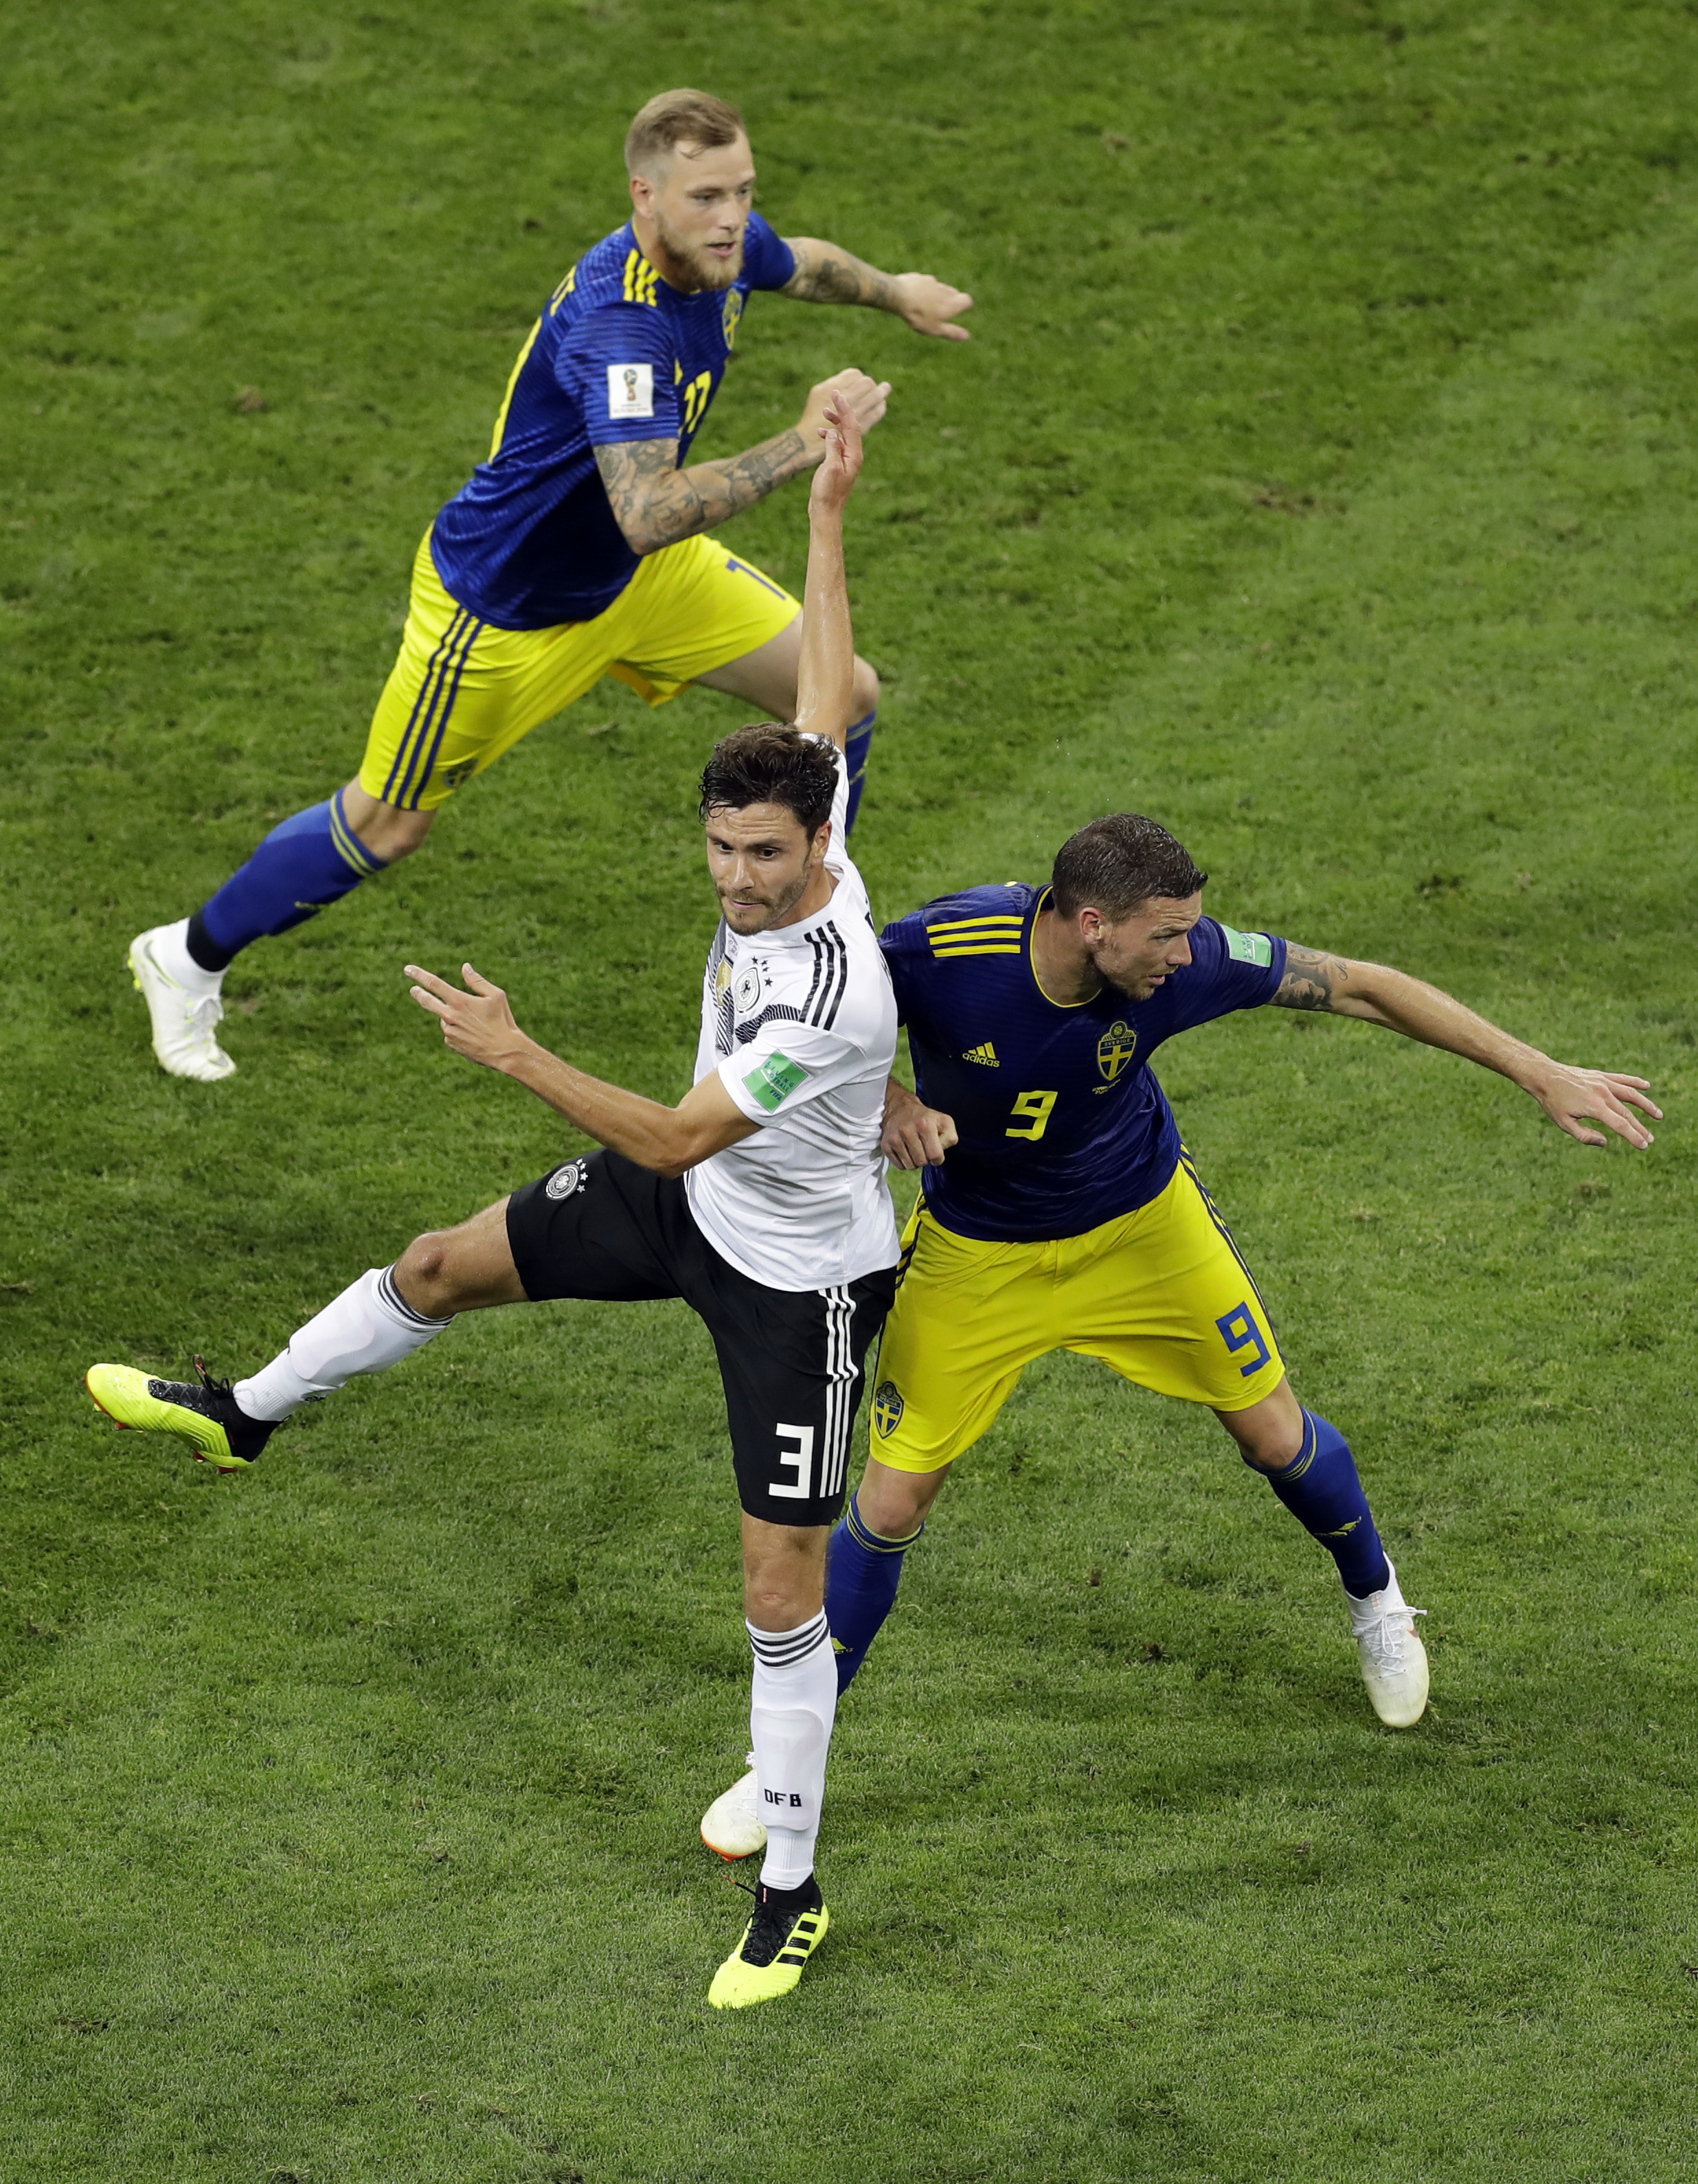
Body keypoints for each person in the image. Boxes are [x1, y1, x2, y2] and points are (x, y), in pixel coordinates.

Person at [91, 401, 898, 2010]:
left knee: (776, 1592)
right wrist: (826, 510)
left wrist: (516, 1051)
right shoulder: (812, 815)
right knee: (439, 1265)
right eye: (722, 850)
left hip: (797, 1284)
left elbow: (673, 1140)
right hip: (696, 1205)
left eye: (762, 856)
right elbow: (822, 687)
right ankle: (248, 1411)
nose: (738, 880)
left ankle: (793, 1894)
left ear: (816, 847)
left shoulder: (838, 991)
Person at [699, 815, 1660, 1856]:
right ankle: (789, 1763)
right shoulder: (941, 951)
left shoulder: (1187, 965)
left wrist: (1538, 1070)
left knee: (1274, 1435)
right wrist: (887, 1094)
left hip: (1142, 1231)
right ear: (1095, 924)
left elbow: (1363, 984)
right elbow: (817, 1010)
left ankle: (1379, 1602)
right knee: (887, 1503)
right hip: (980, 1252)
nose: (1185, 953)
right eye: (1165, 936)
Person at [128, 85, 971, 1084]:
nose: (733, 217)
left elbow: (806, 265)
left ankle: (800, 930)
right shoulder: (621, 329)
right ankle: (183, 956)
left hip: (643, 581)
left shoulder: (723, 250)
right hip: (505, 612)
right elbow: (647, 508)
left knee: (846, 694)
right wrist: (801, 442)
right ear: (643, 198)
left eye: (742, 190)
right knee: (389, 823)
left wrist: (896, 290)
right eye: (706, 197)